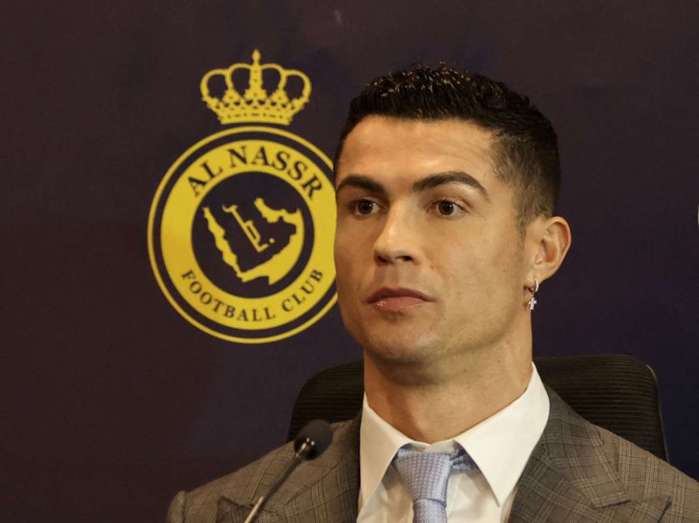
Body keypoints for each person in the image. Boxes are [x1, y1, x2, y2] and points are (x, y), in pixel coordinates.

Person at [167, 65, 699, 522]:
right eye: (363, 207)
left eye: (446, 206)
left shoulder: (674, 512)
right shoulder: (219, 514)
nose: (390, 242)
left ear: (542, 251)